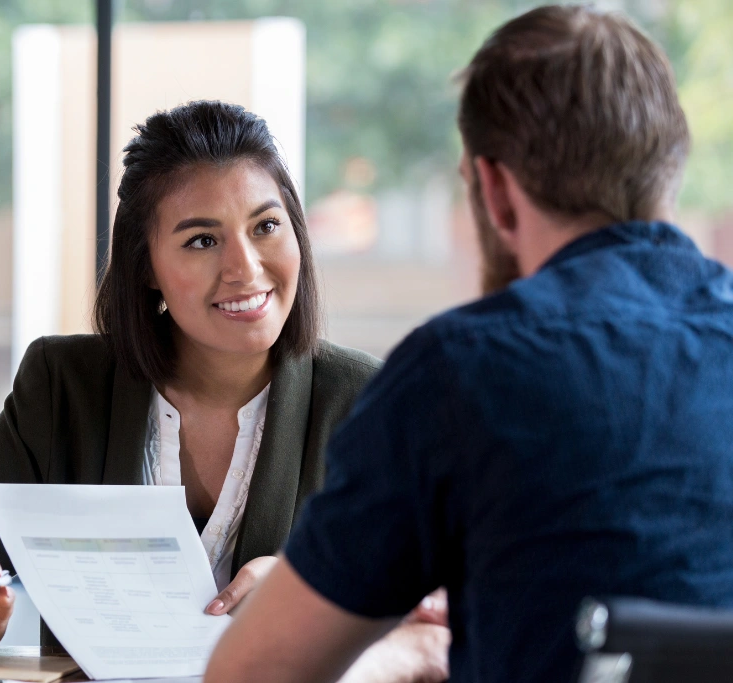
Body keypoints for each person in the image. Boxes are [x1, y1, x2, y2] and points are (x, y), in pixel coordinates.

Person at [205, 5, 733, 683]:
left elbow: (251, 675)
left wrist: (406, 651)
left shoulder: (461, 371)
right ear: (672, 169)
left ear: (495, 190)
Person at [0, 100, 450, 681]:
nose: (245, 269)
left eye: (266, 227)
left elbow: (443, 612)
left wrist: (312, 593)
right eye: (202, 240)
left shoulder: (368, 400)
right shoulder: (63, 387)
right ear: (145, 266)